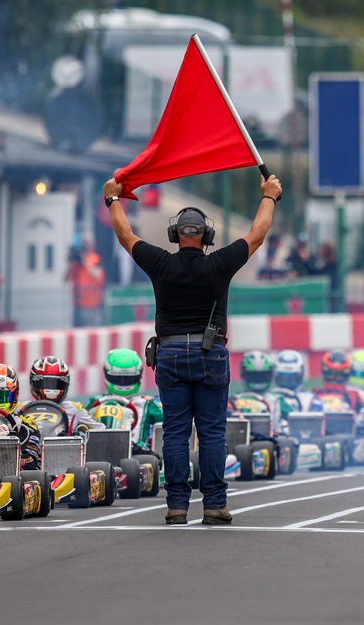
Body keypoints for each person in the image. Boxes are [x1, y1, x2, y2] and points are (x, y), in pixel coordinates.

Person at [101, 171, 282, 526]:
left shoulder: (161, 263)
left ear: (174, 235)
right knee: (212, 432)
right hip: (209, 353)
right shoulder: (219, 264)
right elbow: (258, 235)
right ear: (207, 237)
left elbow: (125, 235)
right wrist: (269, 196)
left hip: (169, 354)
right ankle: (214, 504)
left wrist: (112, 199)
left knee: (175, 432)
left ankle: (177, 506)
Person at [67, 235, 106, 327]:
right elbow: (66, 278)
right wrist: (71, 261)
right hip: (77, 303)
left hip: (91, 303)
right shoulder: (77, 262)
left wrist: (85, 261)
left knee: (90, 329)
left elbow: (98, 276)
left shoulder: (95, 258)